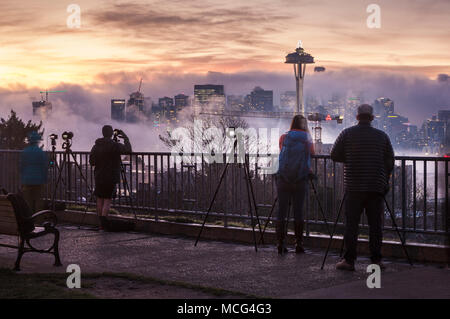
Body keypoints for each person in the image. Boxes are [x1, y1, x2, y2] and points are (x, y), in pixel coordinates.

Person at [331, 104, 394, 271]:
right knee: (375, 226)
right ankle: (376, 261)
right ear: (372, 118)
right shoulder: (382, 136)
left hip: (354, 186)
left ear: (357, 117)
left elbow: (334, 155)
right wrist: (384, 178)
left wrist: (351, 158)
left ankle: (349, 261)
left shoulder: (347, 133)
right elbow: (390, 161)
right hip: (376, 187)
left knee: (352, 225)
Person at [276, 115, 315, 255]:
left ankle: (280, 244)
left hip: (283, 179)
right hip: (300, 179)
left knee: (282, 212)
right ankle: (299, 244)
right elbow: (312, 153)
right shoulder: (307, 138)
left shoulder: (284, 137)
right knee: (298, 212)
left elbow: (281, 151)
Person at [89, 125, 131, 230]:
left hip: (98, 175)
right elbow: (128, 150)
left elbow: (92, 161)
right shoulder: (114, 145)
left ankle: (100, 223)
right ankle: (104, 223)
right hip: (111, 176)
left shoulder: (96, 145)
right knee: (107, 199)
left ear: (103, 133)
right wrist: (125, 137)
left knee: (100, 198)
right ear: (111, 133)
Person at [19, 131, 49, 213]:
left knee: (28, 202)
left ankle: (29, 220)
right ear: (38, 141)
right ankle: (38, 221)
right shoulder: (41, 152)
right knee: (38, 202)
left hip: (27, 180)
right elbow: (45, 167)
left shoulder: (25, 152)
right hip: (39, 181)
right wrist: (45, 180)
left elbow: (21, 166)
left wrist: (22, 179)